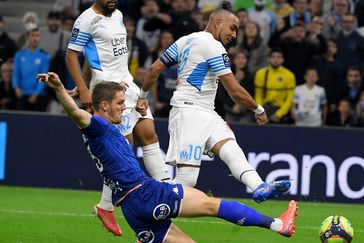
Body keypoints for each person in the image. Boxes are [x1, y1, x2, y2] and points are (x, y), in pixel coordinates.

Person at [38, 72, 298, 242]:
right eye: (119, 103)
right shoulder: (97, 125)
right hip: (145, 193)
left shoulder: (106, 128)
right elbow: (77, 114)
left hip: (132, 210)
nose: (123, 106)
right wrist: (60, 88)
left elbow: (107, 111)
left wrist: (124, 91)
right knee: (212, 205)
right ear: (103, 107)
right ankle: (278, 224)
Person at [136, 9, 292, 203]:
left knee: (230, 148)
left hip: (206, 112)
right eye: (232, 28)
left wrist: (142, 96)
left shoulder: (185, 40)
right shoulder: (214, 47)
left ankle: (259, 185)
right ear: (218, 23)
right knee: (187, 179)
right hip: (189, 112)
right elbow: (234, 90)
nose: (234, 35)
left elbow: (154, 68)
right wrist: (258, 109)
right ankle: (148, 203)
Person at [65, 0, 169, 236]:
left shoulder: (119, 14)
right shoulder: (85, 20)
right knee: (123, 145)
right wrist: (83, 89)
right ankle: (106, 205)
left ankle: (165, 187)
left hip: (128, 85)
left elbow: (93, 56)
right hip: (107, 90)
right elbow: (72, 56)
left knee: (149, 133)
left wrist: (84, 82)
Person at [254, 48, 296, 124]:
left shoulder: (289, 75)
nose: (276, 60)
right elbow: (258, 95)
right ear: (268, 59)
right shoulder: (260, 73)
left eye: (279, 57)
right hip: (265, 109)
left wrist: (279, 114)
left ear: (283, 60)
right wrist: (260, 111)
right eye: (273, 57)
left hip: (281, 111)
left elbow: (290, 98)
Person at [12, 27, 50, 112]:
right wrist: (16, 87)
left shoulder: (44, 56)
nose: (35, 38)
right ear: (28, 38)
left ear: (40, 38)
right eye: (32, 35)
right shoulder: (19, 54)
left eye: (37, 36)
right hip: (22, 93)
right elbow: (16, 73)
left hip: (38, 95)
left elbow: (43, 77)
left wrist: (36, 93)